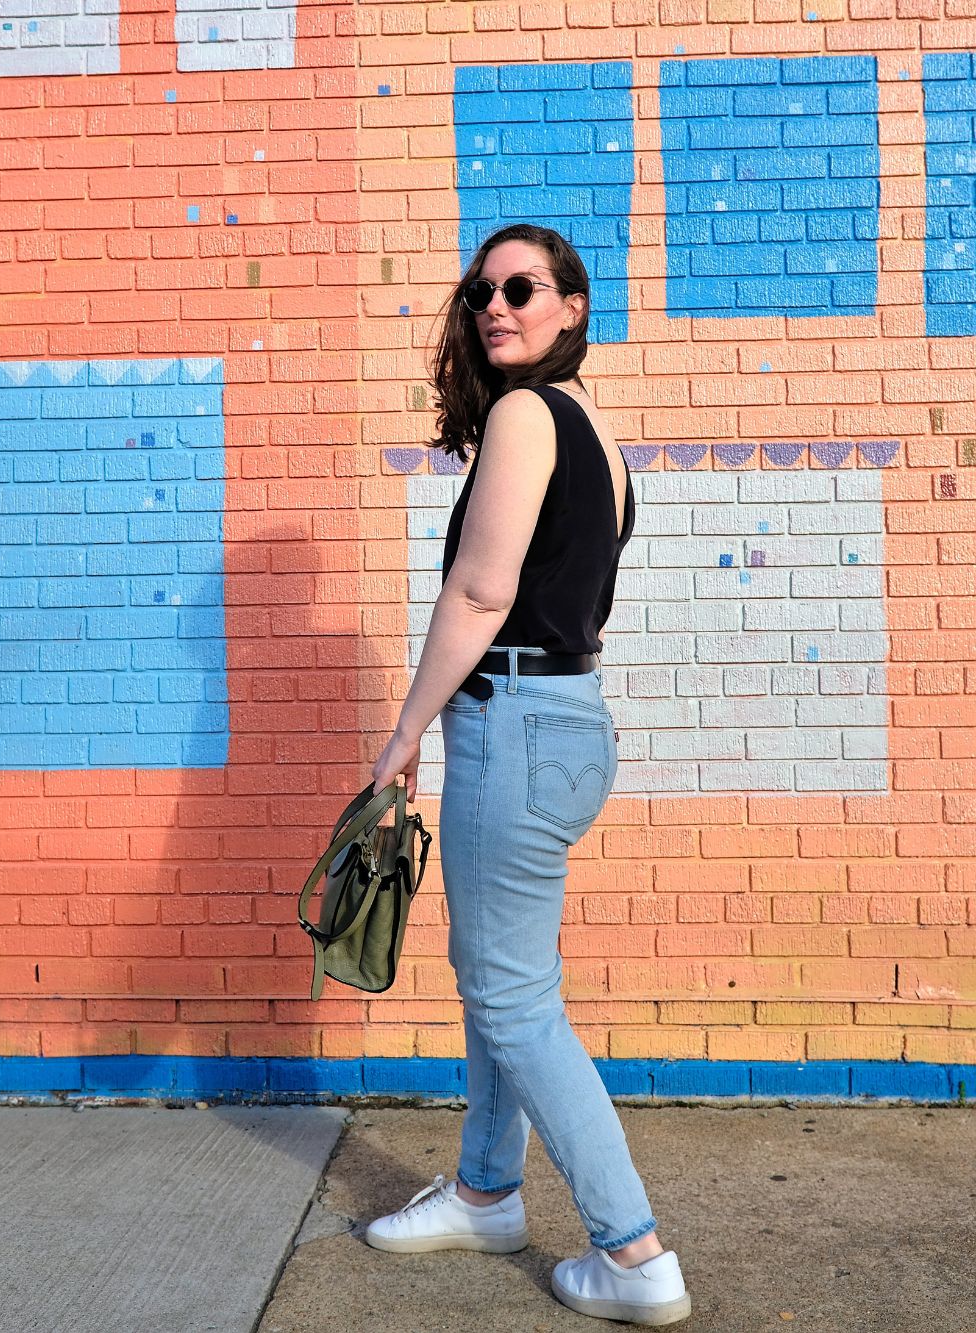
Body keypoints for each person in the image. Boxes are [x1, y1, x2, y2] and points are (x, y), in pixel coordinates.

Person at [360, 225, 690, 1326]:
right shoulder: (595, 431)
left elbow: (478, 593)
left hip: (511, 723)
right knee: (500, 975)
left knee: (508, 991)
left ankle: (631, 1249)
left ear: (571, 307)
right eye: (480, 291)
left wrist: (403, 730)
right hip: (565, 724)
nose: (495, 305)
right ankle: (485, 1191)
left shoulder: (522, 415)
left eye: (521, 288)